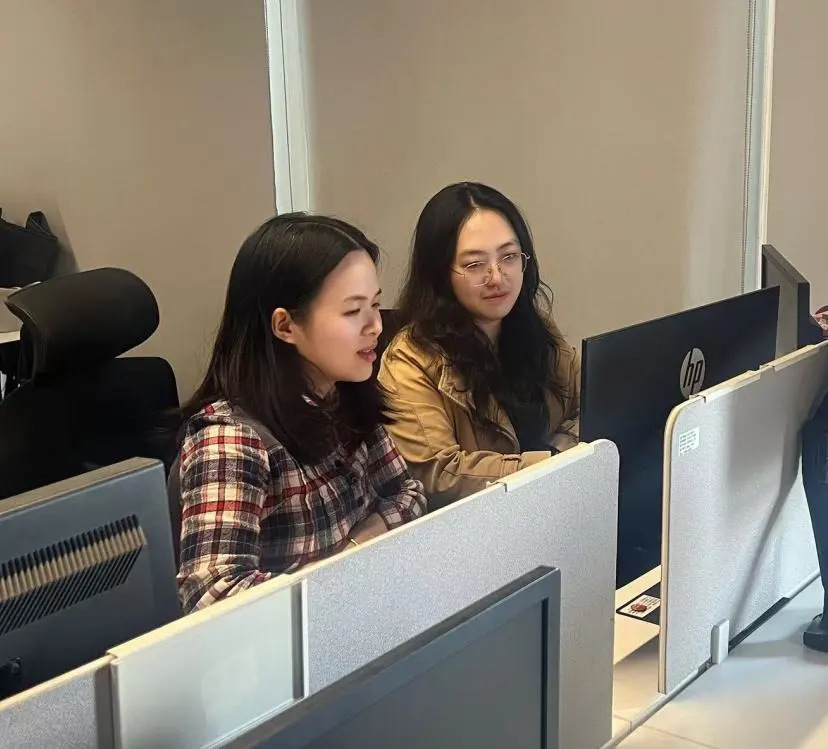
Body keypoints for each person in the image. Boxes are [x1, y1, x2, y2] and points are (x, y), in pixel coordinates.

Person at [172, 214, 427, 613]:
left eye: (376, 305)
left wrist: (355, 547)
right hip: (289, 644)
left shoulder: (345, 394)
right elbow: (213, 596)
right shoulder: (230, 439)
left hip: (363, 617)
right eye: (352, 311)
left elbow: (407, 495)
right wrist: (340, 572)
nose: (376, 326)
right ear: (285, 326)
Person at [378, 182, 579, 509]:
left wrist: (562, 451)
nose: (497, 277)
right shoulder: (410, 358)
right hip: (481, 526)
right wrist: (551, 462)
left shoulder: (535, 325)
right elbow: (439, 473)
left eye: (509, 257)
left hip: (556, 505)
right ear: (440, 273)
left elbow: (586, 405)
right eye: (474, 265)